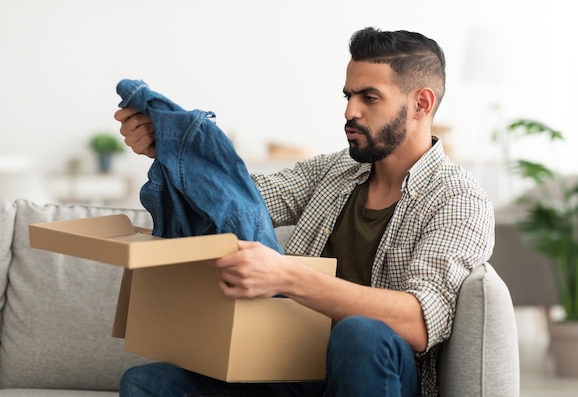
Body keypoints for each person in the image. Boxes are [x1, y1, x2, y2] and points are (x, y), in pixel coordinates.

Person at [114, 27, 495, 397]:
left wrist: (286, 276)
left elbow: (419, 321)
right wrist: (171, 150)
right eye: (348, 95)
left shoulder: (458, 198)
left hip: (376, 370)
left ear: (421, 103)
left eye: (369, 97)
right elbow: (241, 200)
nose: (350, 111)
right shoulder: (332, 172)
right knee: (146, 383)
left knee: (359, 334)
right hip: (293, 364)